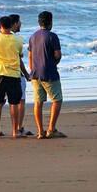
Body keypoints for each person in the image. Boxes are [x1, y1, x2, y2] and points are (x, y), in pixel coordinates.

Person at [28, 11, 65, 139]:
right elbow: (57, 54)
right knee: (57, 100)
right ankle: (51, 128)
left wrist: (32, 69)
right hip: (48, 72)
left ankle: (40, 131)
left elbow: (30, 55)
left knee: (38, 102)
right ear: (50, 22)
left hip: (35, 73)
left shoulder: (33, 36)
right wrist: (54, 63)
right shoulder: (52, 36)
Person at [0, 15, 24, 139]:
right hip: (13, 74)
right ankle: (15, 131)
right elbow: (20, 55)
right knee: (14, 103)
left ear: (0, 26)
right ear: (11, 25)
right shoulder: (18, 40)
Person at [8, 14, 34, 136]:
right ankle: (18, 128)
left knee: (0, 102)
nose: (20, 24)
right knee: (20, 101)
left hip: (1, 73)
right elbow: (19, 59)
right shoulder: (15, 39)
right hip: (16, 73)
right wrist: (26, 74)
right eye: (19, 22)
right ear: (14, 24)